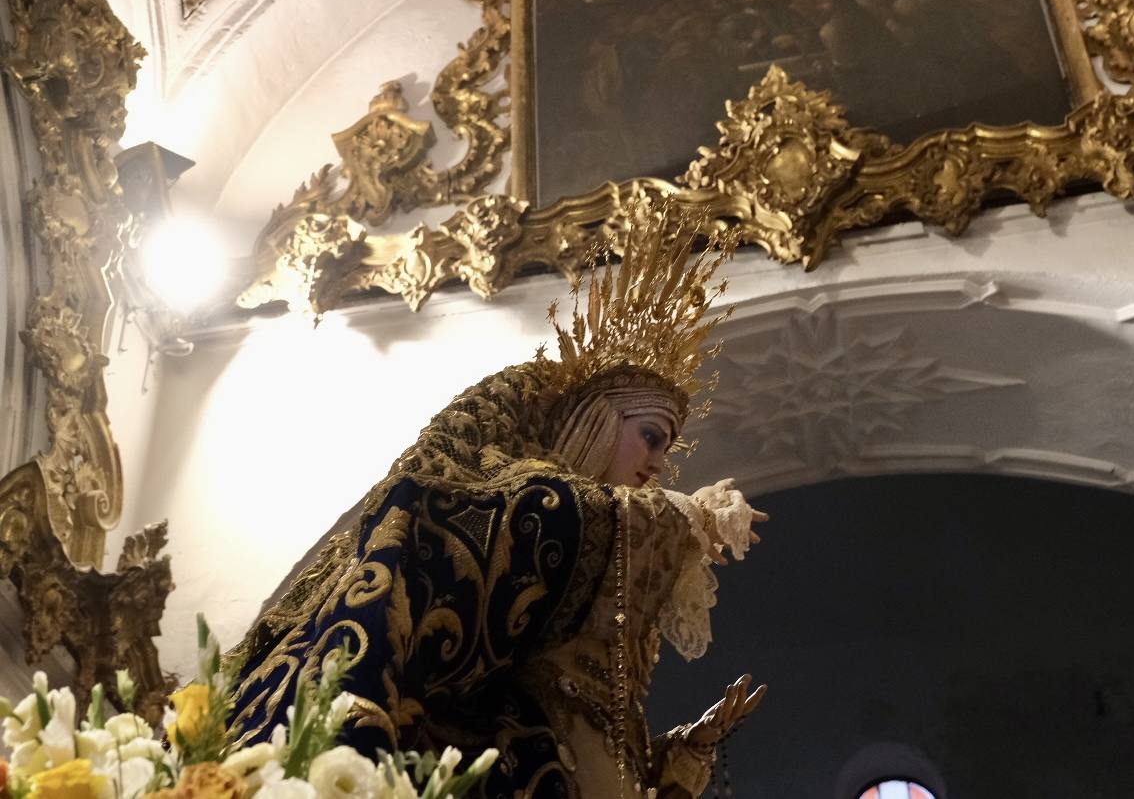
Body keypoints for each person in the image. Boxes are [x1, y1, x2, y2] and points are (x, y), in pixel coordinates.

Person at [227, 188, 767, 798]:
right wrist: (674, 517)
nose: (654, 465)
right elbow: (491, 539)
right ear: (594, 419)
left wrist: (683, 757)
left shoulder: (614, 568)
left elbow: (605, 743)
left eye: (665, 449)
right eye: (647, 436)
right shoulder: (508, 486)